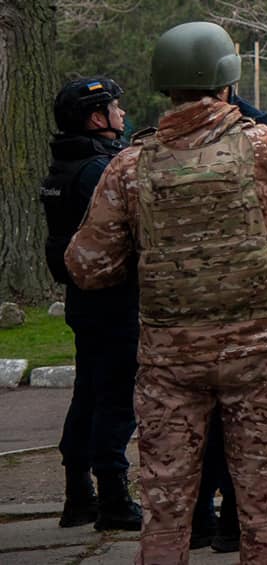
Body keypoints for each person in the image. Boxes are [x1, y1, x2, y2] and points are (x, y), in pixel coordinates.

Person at [65, 23, 267, 565]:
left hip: (168, 364)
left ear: (166, 87)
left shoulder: (130, 166)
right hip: (255, 355)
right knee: (264, 510)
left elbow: (86, 267)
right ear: (229, 83)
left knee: (165, 515)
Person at [39, 76, 142, 533]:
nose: (122, 114)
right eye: (115, 108)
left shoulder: (64, 167)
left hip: (83, 296)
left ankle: (78, 493)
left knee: (89, 391)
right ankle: (114, 496)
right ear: (97, 118)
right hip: (115, 296)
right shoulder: (98, 169)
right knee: (117, 397)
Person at [190, 87, 267, 553]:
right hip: (242, 324)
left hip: (181, 331)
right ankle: (228, 525)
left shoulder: (144, 158)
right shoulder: (256, 147)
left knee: (192, 436)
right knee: (242, 438)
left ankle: (201, 522)